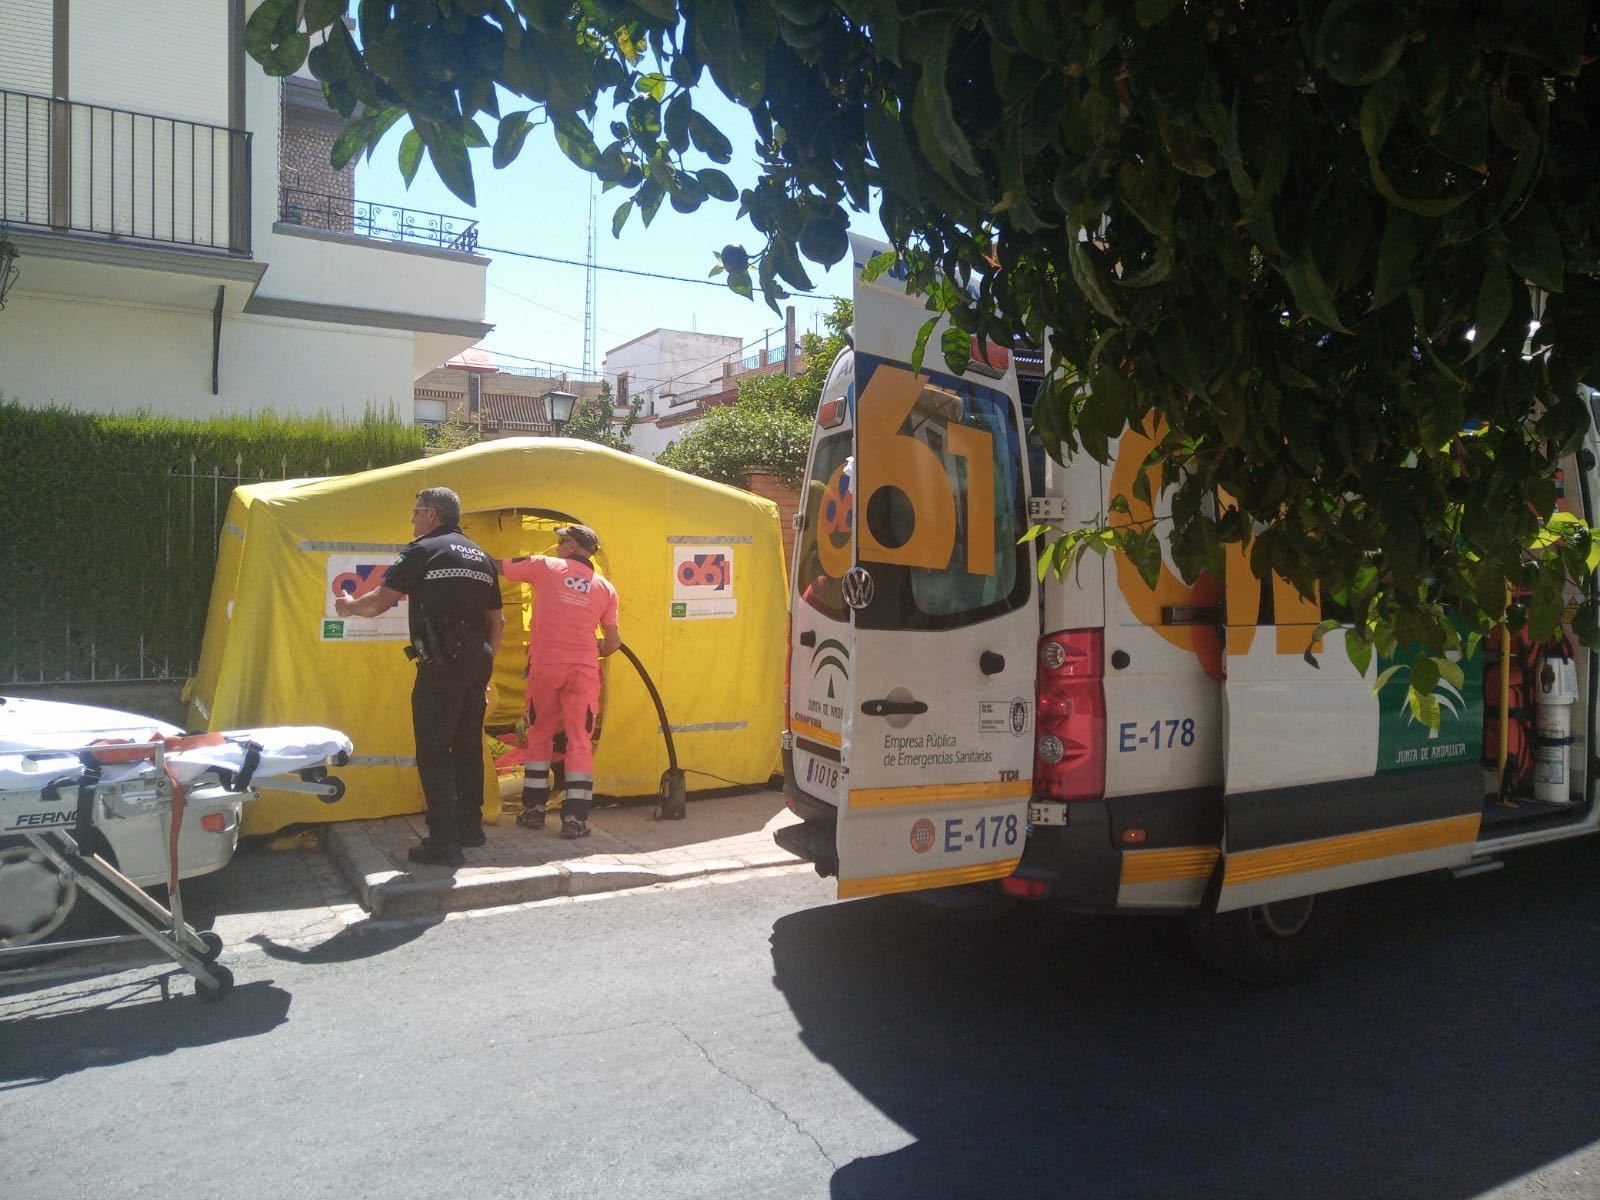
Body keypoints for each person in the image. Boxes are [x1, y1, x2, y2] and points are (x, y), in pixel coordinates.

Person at [335, 487, 504, 867]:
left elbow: (378, 601)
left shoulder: (422, 551)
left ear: (431, 514)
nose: (411, 520)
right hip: (477, 660)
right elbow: (498, 620)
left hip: (442, 661)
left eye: (415, 512)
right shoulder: (480, 556)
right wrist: (487, 662)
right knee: (466, 744)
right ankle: (469, 828)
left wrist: (348, 607)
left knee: (434, 749)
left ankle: (444, 841)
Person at [501, 524, 621, 839]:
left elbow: (496, 566)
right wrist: (592, 646)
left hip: (545, 666)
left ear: (571, 547)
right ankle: (575, 819)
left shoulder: (545, 567)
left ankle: (534, 811)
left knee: (540, 734)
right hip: (582, 670)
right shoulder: (605, 587)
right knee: (580, 740)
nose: (557, 546)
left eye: (561, 541)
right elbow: (613, 643)